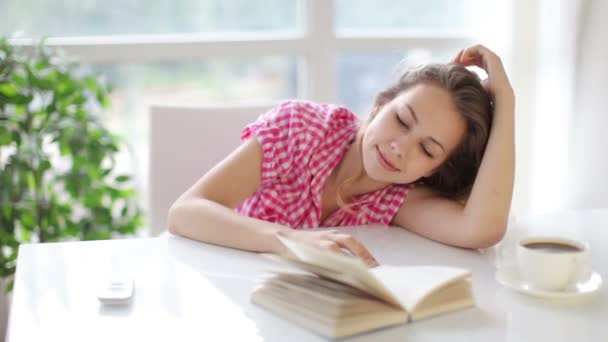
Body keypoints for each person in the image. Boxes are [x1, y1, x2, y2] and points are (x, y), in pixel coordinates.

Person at [168, 44, 515, 268]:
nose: (400, 147)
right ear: (380, 104)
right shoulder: (300, 129)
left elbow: (482, 230)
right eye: (402, 120)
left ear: (436, 167)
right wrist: (287, 239)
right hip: (224, 288)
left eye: (427, 149)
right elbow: (185, 212)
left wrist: (506, 101)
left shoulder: (399, 200)